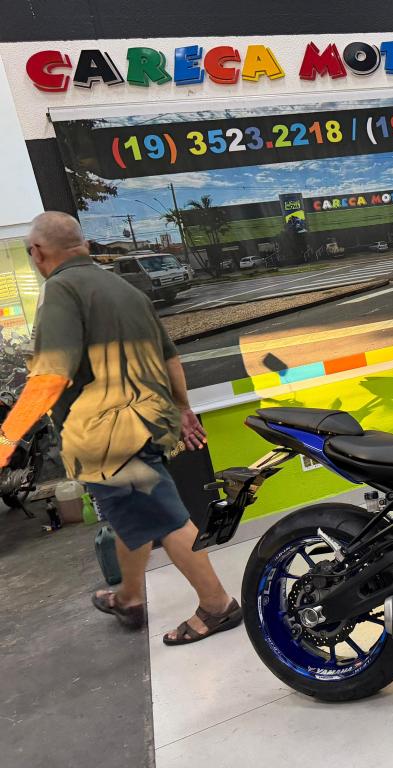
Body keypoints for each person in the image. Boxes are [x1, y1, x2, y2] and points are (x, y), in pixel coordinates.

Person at [0, 212, 240, 645]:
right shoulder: (126, 289)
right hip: (146, 423)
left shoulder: (61, 290)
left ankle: (217, 605)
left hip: (106, 436)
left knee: (167, 519)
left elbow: (50, 375)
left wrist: (6, 439)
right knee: (133, 513)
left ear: (37, 252)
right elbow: (169, 357)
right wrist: (182, 408)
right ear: (84, 245)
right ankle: (129, 597)